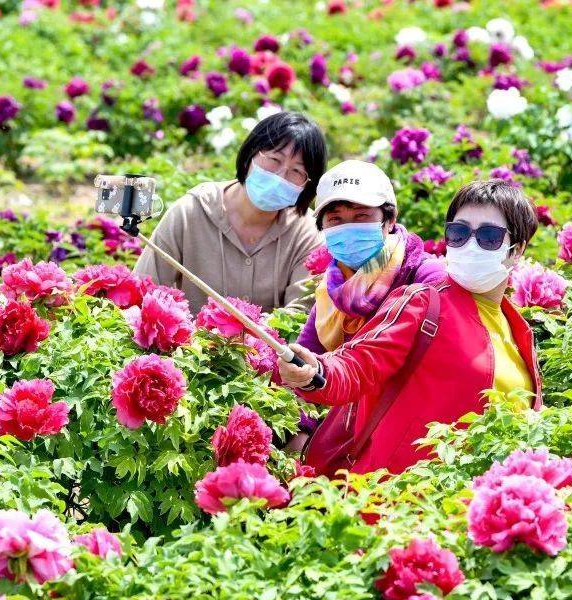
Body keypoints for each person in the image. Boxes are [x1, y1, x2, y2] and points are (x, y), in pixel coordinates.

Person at [278, 179, 542, 476]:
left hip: (477, 510)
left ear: (516, 250)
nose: (470, 245)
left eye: (489, 237)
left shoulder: (519, 330)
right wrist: (316, 373)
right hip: (402, 504)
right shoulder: (424, 302)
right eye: (458, 233)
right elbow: (359, 363)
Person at [133, 111, 327, 312]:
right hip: (187, 344)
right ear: (251, 153)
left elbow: (299, 317)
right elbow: (144, 290)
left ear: (308, 185)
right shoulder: (190, 213)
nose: (280, 175)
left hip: (270, 344)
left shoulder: (306, 235)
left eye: (297, 171)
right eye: (274, 159)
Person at [296, 160, 445, 354]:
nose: (348, 228)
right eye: (335, 219)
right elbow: (305, 358)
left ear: (390, 220)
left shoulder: (424, 276)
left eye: (361, 215)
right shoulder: (333, 289)